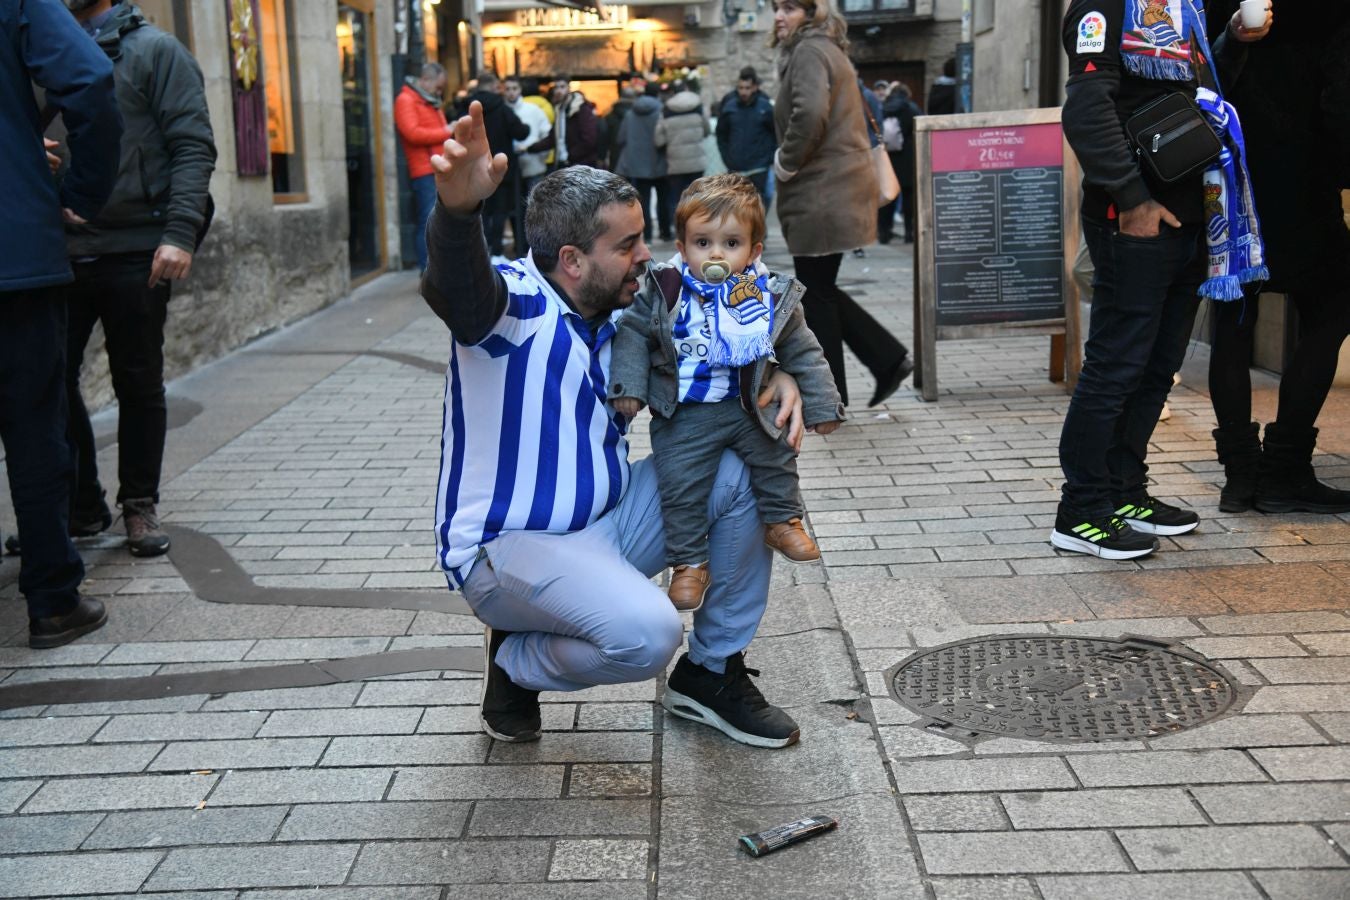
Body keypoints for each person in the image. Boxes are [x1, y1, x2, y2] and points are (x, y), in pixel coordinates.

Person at [423, 101, 808, 749]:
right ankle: (517, 662)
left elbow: (738, 323)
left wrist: (783, 373)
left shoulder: (635, 313)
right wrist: (459, 215)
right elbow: (457, 288)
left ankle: (711, 673)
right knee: (649, 633)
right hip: (508, 551)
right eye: (627, 244)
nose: (646, 256)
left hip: (607, 525)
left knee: (743, 470)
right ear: (572, 260)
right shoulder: (513, 304)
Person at [1053, 0, 1271, 559]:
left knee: (1155, 368)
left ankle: (1124, 490)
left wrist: (1234, 44)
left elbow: (1196, 99)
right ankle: (1080, 510)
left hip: (1191, 212)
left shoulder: (1184, 11)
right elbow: (1085, 111)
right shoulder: (1102, 7)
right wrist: (1132, 200)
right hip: (1136, 220)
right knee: (1115, 367)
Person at [609, 174, 843, 608]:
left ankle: (782, 519)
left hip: (745, 403)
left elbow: (803, 349)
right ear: (682, 247)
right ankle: (688, 563)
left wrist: (821, 404)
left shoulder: (767, 295)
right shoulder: (666, 289)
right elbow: (632, 334)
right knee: (679, 484)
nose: (716, 254)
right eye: (703, 243)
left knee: (776, 455)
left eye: (731, 243)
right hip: (686, 412)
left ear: (754, 251)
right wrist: (629, 387)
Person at [63, 0, 216, 558]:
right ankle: (80, 506)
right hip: (59, 245)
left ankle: (138, 506)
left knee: (137, 379)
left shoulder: (155, 50)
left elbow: (192, 145)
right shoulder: (39, 51)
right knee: (48, 381)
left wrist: (179, 232)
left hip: (137, 243)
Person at [3, 0, 121, 647]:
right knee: (33, 425)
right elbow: (88, 77)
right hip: (13, 250)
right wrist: (80, 190)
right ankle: (51, 600)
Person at [1205, 1, 1350, 515]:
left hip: (1229, 178)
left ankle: (1241, 477)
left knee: (1233, 319)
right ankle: (1285, 468)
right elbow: (1341, 101)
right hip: (1303, 180)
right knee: (1333, 306)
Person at [771, 0, 913, 408]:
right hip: (831, 187)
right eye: (776, 7)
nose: (780, 16)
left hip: (820, 189)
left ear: (813, 12)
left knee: (815, 292)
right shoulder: (827, 47)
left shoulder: (810, 50)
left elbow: (811, 112)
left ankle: (830, 398)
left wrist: (786, 161)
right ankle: (887, 361)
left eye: (791, 7)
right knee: (819, 288)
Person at [395, 63, 451, 273]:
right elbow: (412, 133)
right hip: (425, 170)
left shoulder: (425, 99)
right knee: (428, 220)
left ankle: (436, 270)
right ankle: (428, 272)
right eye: (438, 87)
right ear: (425, 80)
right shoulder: (406, 100)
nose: (439, 92)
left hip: (436, 167)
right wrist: (446, 131)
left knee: (437, 221)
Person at [467, 71, 527, 259]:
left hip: (475, 166)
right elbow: (521, 132)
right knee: (500, 210)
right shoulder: (502, 108)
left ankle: (483, 250)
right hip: (501, 167)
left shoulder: (468, 106)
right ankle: (497, 251)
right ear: (494, 86)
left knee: (482, 211)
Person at [715, 67, 778, 209]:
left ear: (754, 87)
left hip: (759, 167)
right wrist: (727, 157)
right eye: (740, 88)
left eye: (747, 88)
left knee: (759, 209)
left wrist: (768, 157)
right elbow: (721, 134)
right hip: (736, 168)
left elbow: (775, 133)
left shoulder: (765, 107)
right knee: (738, 210)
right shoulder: (729, 107)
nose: (743, 92)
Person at [615, 82, 670, 241]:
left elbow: (621, 137)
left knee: (642, 203)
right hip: (660, 162)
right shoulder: (662, 111)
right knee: (663, 200)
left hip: (637, 164)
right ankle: (665, 233)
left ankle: (646, 236)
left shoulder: (630, 113)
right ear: (658, 93)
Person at [503, 75, 551, 257]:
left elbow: (547, 134)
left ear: (520, 90)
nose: (511, 92)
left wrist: (534, 149)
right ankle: (520, 246)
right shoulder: (501, 111)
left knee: (535, 209)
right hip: (509, 170)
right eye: (507, 89)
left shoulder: (533, 110)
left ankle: (537, 248)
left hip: (533, 166)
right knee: (514, 210)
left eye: (514, 88)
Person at [654, 80, 709, 230]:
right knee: (698, 197)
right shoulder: (697, 106)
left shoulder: (666, 109)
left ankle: (680, 229)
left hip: (675, 163)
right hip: (697, 161)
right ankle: (700, 227)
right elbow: (707, 130)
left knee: (677, 199)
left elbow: (659, 139)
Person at [530, 77, 602, 170]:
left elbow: (589, 139)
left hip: (580, 164)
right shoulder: (559, 110)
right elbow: (553, 138)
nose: (559, 91)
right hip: (564, 163)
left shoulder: (580, 108)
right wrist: (531, 148)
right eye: (556, 87)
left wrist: (571, 155)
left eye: (562, 87)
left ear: (569, 88)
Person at [879, 81, 920, 243]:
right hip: (907, 158)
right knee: (909, 196)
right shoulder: (910, 108)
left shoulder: (883, 108)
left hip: (888, 157)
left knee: (888, 196)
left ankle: (884, 233)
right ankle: (909, 232)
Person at [606, 85, 637, 171]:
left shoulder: (610, 116)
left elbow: (604, 135)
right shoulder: (639, 115)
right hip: (635, 158)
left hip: (615, 156)